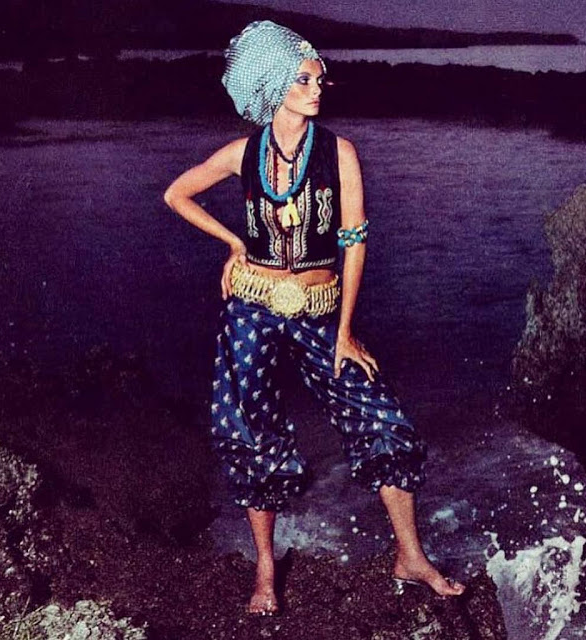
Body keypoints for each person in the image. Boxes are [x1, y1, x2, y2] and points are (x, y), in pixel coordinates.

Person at [164, 20, 465, 615]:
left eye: (319, 78)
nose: (316, 88)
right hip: (252, 305)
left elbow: (354, 243)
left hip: (321, 308)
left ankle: (410, 555)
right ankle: (265, 572)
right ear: (273, 84)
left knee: (381, 417)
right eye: (303, 79)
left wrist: (346, 331)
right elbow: (177, 194)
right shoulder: (242, 153)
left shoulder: (338, 152)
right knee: (249, 430)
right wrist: (233, 243)